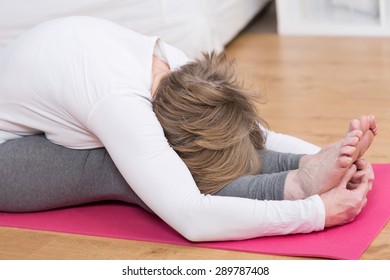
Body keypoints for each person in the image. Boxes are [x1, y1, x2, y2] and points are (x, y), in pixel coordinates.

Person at [0, 16, 375, 242]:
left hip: (57, 109)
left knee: (177, 155)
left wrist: (317, 157)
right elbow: (191, 216)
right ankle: (291, 187)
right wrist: (313, 210)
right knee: (122, 169)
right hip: (8, 154)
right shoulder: (121, 105)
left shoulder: (176, 67)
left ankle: (300, 175)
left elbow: (256, 133)